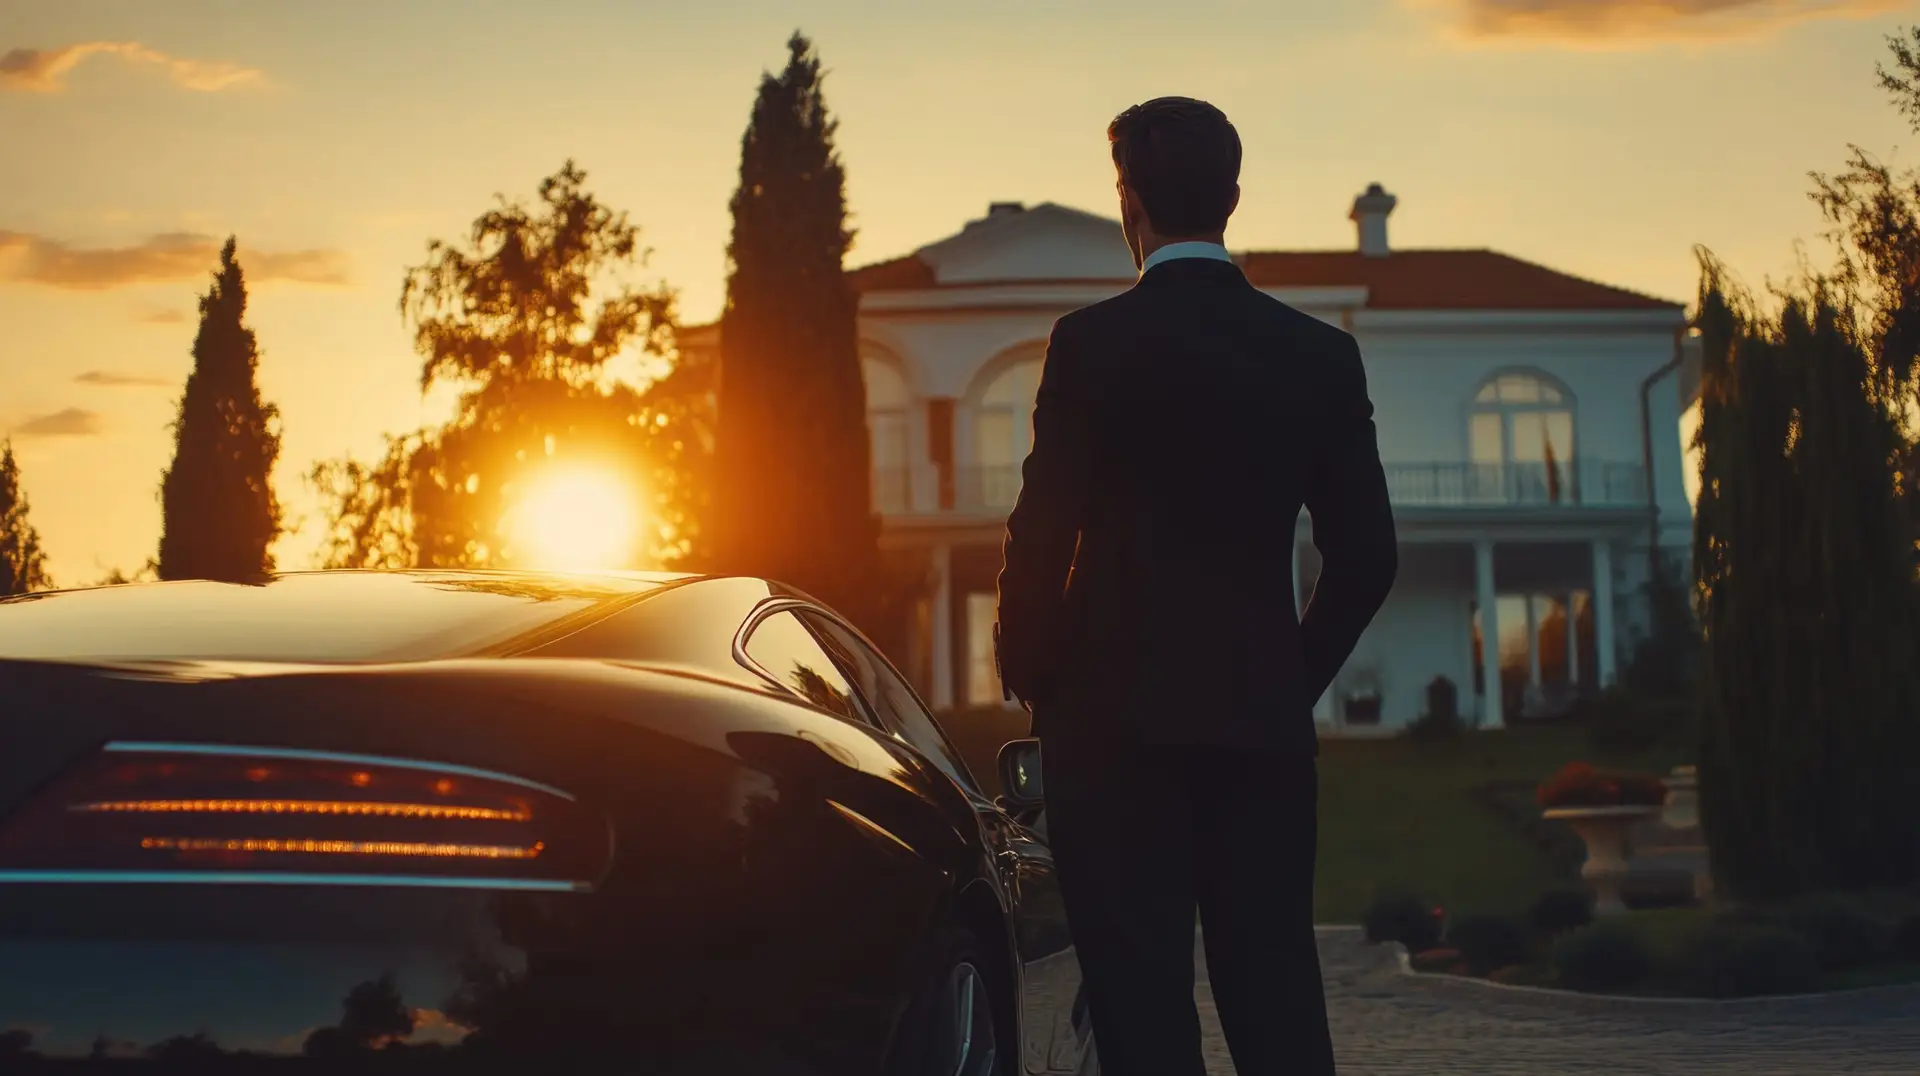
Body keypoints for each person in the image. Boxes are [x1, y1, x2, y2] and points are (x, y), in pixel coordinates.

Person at [994, 96, 1398, 1076]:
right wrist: (1281, 679)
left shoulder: (1090, 343)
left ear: (1129, 203)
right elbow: (1368, 557)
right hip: (1259, 724)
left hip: (1111, 726)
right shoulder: (1318, 355)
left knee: (1139, 998)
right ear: (1233, 198)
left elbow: (1041, 533)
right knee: (1274, 983)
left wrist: (1043, 686)